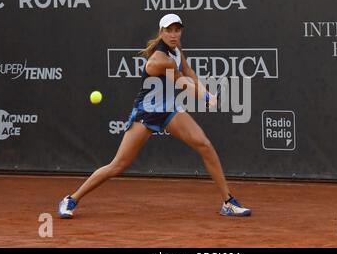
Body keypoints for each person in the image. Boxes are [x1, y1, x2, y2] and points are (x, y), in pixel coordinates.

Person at [58, 14, 251, 218]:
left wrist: (207, 93)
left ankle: (228, 202)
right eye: (169, 30)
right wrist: (206, 98)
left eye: (177, 30)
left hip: (169, 110)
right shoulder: (160, 60)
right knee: (118, 165)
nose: (173, 34)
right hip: (147, 114)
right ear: (161, 32)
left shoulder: (176, 49)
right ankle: (71, 199)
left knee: (204, 144)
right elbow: (182, 82)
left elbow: (187, 70)